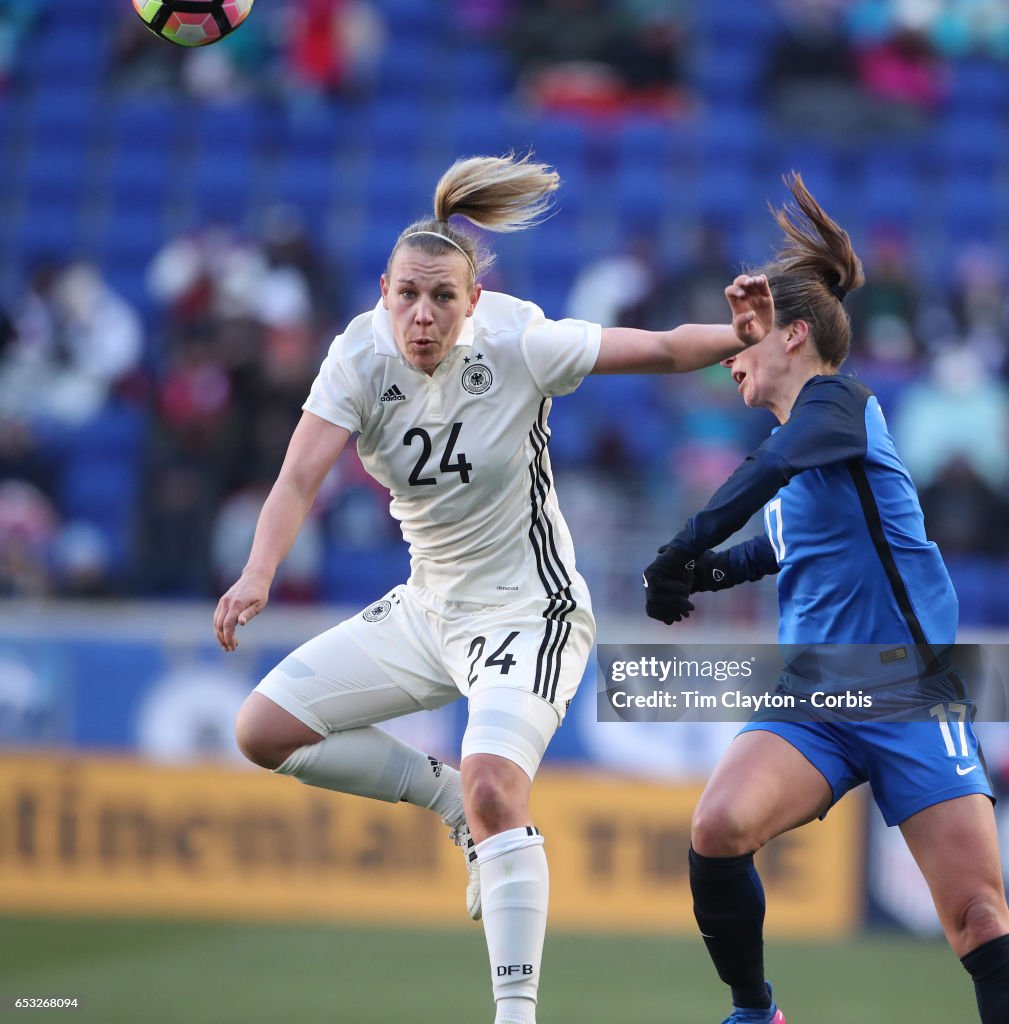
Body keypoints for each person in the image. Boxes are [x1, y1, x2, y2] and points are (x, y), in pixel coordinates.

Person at [213, 152, 773, 1024]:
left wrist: (739, 337)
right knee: (261, 732)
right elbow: (294, 482)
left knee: (494, 789)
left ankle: (515, 1014)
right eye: (407, 294)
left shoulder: (519, 342)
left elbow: (662, 349)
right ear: (383, 290)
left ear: (472, 300)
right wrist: (257, 573)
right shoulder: (357, 356)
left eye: (442, 297)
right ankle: (441, 799)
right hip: (426, 607)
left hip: (528, 611)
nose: (422, 314)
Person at [642, 172, 1009, 1024]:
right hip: (816, 695)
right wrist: (699, 575)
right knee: (718, 826)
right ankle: (754, 1011)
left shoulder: (837, 404)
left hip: (910, 691)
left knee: (980, 921)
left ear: (795, 336)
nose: (730, 352)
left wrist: (680, 546)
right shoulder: (808, 448)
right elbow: (775, 541)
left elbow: (766, 477)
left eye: (747, 335)